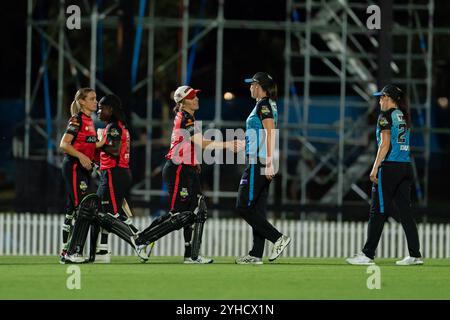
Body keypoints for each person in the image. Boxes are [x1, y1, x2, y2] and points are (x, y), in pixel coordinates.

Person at [134, 85, 244, 263]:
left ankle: (191, 255)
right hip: (178, 169)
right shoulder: (186, 119)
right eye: (192, 96)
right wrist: (228, 145)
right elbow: (202, 143)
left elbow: (188, 144)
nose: (196, 99)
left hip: (187, 169)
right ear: (182, 102)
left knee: (197, 211)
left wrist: (194, 162)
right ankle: (142, 240)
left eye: (195, 96)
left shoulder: (189, 117)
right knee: (179, 215)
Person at [346, 84, 423, 266]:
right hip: (405, 166)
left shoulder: (385, 116)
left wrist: (374, 167)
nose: (379, 100)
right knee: (405, 212)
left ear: (389, 98)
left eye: (381, 97)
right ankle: (415, 254)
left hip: (389, 168)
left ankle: (367, 255)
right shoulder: (403, 116)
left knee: (377, 211)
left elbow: (385, 144)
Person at [235, 72, 291, 265]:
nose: (250, 87)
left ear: (258, 86)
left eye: (252, 84)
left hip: (258, 161)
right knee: (257, 209)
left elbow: (270, 132)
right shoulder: (267, 105)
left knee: (243, 206)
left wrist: (269, 161)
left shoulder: (264, 104)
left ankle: (277, 238)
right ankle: (256, 254)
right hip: (259, 158)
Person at [93, 94, 140, 263]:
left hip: (114, 172)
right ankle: (103, 250)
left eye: (101, 108)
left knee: (110, 214)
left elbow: (113, 150)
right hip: (115, 172)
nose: (98, 111)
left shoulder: (114, 126)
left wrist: (98, 142)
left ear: (110, 109)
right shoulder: (118, 126)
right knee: (104, 211)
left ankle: (140, 239)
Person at [59, 88, 99, 262]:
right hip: (74, 167)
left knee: (72, 211)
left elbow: (89, 145)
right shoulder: (77, 120)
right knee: (82, 208)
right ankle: (71, 253)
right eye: (91, 99)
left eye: (95, 98)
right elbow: (64, 144)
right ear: (82, 102)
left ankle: (66, 251)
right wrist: (82, 156)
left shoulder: (90, 121)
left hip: (83, 168)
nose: (95, 102)